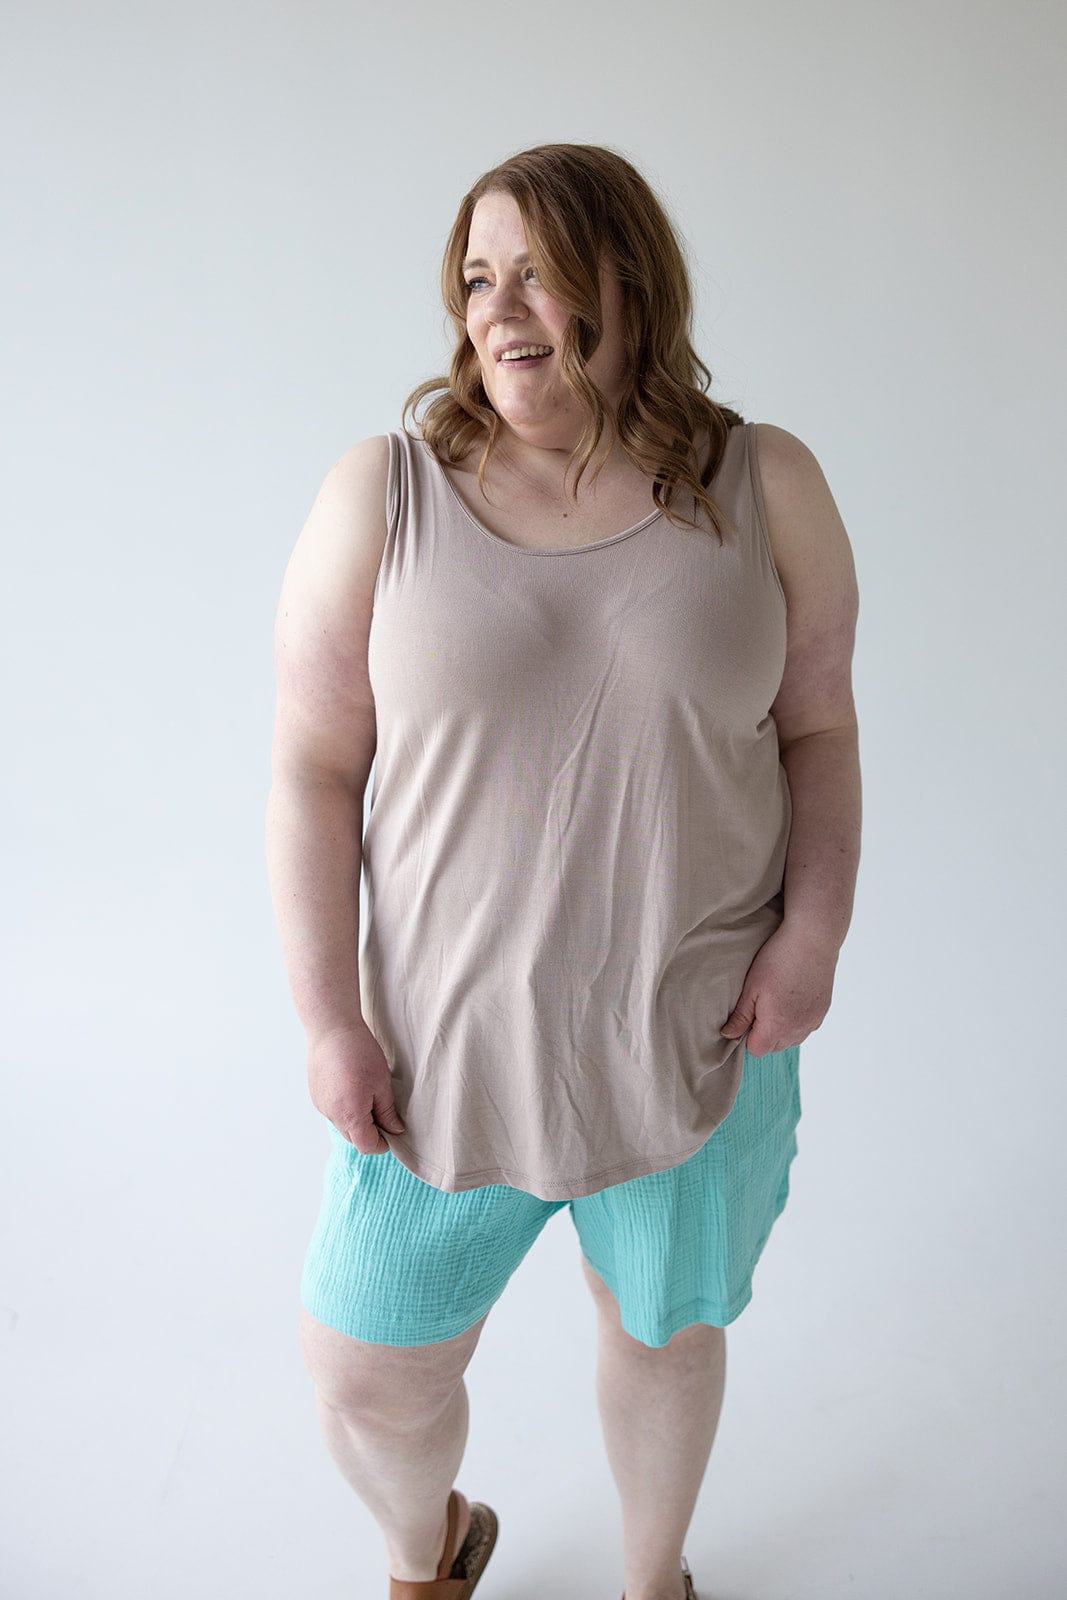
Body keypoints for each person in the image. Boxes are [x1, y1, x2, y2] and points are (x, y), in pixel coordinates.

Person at [265, 142, 861, 1600]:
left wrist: (815, 938)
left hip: (694, 1028)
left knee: (660, 1338)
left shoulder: (762, 482)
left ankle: (654, 1580)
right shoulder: (384, 492)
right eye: (476, 276)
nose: (497, 305)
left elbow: (822, 726)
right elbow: (312, 766)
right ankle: (431, 1550)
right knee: (364, 1362)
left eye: (535, 267)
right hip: (441, 1047)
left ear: (627, 279)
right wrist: (328, 1015)